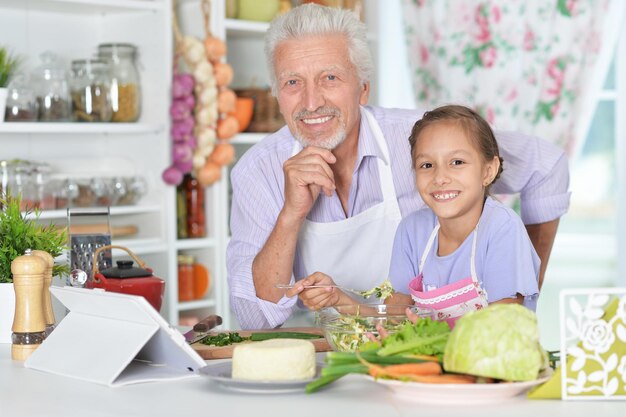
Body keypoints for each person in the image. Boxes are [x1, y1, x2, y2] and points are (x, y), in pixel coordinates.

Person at [227, 4, 569, 329]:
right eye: (292, 83)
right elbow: (255, 319)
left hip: (428, 353)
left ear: (363, 89)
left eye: (330, 77)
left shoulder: (428, 142)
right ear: (276, 94)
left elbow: (546, 166)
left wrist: (518, 289)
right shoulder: (257, 171)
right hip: (324, 351)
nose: (312, 101)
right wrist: (290, 214)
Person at [385, 105, 540, 328]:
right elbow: (395, 312)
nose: (440, 177)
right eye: (426, 165)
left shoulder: (502, 228)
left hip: (493, 360)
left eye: (457, 162)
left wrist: (432, 338)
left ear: (488, 171)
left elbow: (503, 322)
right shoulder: (411, 230)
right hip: (428, 361)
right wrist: (346, 304)